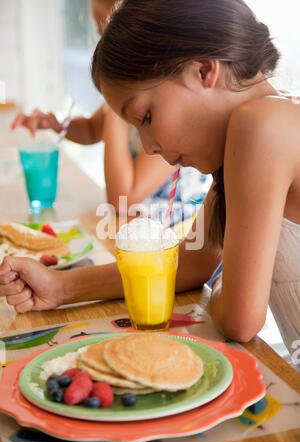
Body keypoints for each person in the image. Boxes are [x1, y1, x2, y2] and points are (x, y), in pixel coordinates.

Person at [1, 0, 300, 364]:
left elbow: (240, 320)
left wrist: (226, 286)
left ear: (205, 70)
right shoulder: (252, 136)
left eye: (144, 116)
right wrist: (59, 287)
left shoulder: (260, 127)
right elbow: (188, 264)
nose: (148, 147)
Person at [11, 0, 208, 223]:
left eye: (107, 35)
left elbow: (123, 199)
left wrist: (117, 109)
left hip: (179, 236)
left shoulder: (171, 116)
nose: (103, 50)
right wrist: (56, 123)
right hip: (135, 226)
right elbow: (92, 130)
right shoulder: (141, 95)